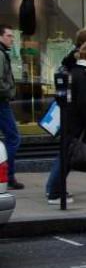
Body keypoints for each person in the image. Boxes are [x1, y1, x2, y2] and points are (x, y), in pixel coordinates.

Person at [46, 42, 86, 204]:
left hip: (73, 124)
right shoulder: (83, 75)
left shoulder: (77, 72)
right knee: (77, 155)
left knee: (84, 155)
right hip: (79, 125)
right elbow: (84, 103)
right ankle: (54, 192)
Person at [0, 24, 24, 190]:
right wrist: (9, 92)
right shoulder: (0, 54)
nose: (12, 39)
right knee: (13, 138)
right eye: (9, 35)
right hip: (1, 102)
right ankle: (8, 176)